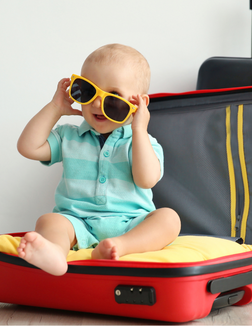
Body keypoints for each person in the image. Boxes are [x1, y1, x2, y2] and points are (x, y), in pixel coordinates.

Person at [16, 44, 181, 276]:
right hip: (77, 221)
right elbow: (28, 147)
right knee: (50, 220)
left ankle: (119, 247)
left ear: (138, 104)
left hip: (131, 223)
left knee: (169, 219)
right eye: (88, 91)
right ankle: (54, 252)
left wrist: (139, 129)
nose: (96, 104)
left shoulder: (143, 142)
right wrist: (55, 108)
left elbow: (146, 180)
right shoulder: (68, 136)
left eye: (113, 98)